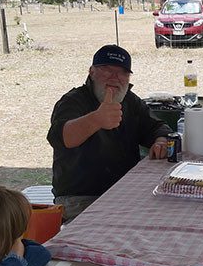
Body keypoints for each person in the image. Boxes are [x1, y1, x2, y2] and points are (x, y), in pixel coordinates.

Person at [47, 44, 172, 222]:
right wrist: (97, 119)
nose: (115, 77)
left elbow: (157, 126)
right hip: (81, 199)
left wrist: (160, 141)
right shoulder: (73, 101)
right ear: (92, 72)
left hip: (125, 192)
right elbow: (62, 137)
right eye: (106, 69)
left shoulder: (129, 100)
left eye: (123, 72)